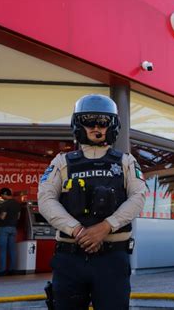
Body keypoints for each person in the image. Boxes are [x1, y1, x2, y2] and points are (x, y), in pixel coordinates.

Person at [38, 94, 146, 310]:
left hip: (112, 259)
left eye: (103, 122)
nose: (97, 127)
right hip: (69, 259)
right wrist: (77, 230)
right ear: (78, 124)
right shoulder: (61, 161)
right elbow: (45, 199)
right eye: (89, 121)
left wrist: (106, 227)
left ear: (112, 125)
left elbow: (138, 197)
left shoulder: (126, 160)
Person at [0, 187, 21, 276]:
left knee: (3, 250)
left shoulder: (5, 204)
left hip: (4, 228)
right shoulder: (17, 204)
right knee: (12, 250)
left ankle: (2, 270)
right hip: (13, 228)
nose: (2, 197)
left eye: (2, 195)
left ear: (5, 194)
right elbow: (18, 217)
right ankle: (12, 269)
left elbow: (3, 216)